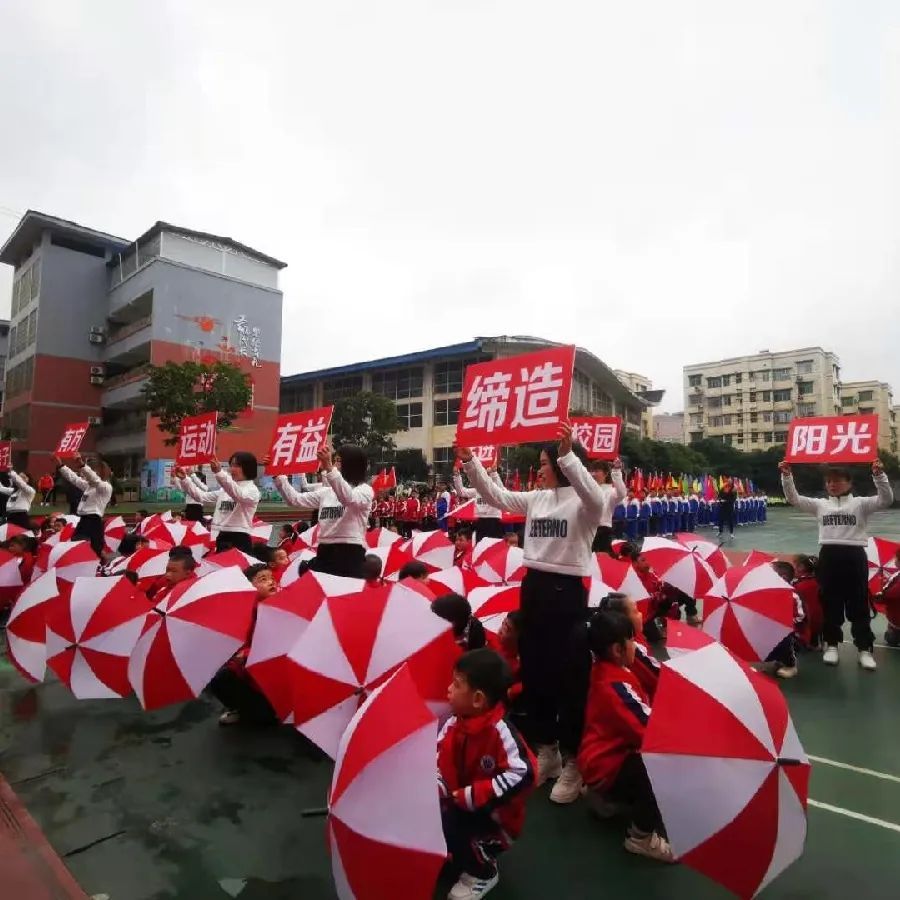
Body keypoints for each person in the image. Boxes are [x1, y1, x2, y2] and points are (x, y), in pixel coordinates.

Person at [456, 423, 605, 805]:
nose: (539, 469)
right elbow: (497, 495)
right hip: (534, 587)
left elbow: (593, 495)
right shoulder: (538, 498)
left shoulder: (587, 502)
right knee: (536, 671)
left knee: (568, 678)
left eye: (543, 463)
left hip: (567, 593)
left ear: (561, 464)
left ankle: (573, 762)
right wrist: (471, 463)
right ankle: (548, 751)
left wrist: (569, 453)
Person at [438, 648, 536, 900]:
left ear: (478, 699)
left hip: (497, 818)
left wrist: (473, 795)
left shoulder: (500, 732)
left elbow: (524, 774)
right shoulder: (453, 723)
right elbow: (438, 759)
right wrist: (437, 784)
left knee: (453, 827)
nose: (448, 689)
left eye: (456, 684)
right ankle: (460, 850)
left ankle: (483, 872)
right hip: (462, 803)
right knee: (433, 815)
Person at [578, 610, 674, 862]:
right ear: (618, 649)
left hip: (605, 756)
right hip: (605, 765)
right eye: (632, 640)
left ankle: (605, 799)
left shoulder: (610, 669)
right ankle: (640, 837)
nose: (637, 644)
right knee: (664, 761)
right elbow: (652, 731)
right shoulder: (614, 686)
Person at [780, 459, 893, 671]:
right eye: (829, 481)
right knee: (830, 603)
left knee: (858, 604)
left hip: (854, 556)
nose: (832, 484)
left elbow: (886, 499)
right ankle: (832, 645)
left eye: (838, 480)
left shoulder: (860, 503)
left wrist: (879, 475)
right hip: (829, 556)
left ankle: (864, 649)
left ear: (849, 483)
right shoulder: (820, 505)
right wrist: (787, 475)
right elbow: (793, 498)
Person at [270, 445, 373, 578]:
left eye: (338, 461)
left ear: (351, 464)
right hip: (324, 549)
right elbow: (295, 499)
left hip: (349, 552)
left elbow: (348, 498)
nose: (335, 464)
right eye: (334, 460)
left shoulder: (364, 490)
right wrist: (278, 476)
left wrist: (329, 468)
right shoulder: (327, 493)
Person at [208, 563, 279, 727]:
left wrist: (246, 654)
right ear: (249, 587)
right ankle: (248, 710)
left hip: (275, 668)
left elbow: (278, 643)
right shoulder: (244, 612)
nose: (271, 582)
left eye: (272, 578)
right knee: (221, 678)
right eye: (263, 579)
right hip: (252, 670)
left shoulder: (281, 608)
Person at [176, 452, 260, 553]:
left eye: (237, 465)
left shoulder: (252, 490)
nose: (232, 469)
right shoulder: (224, 490)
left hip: (240, 537)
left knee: (238, 568)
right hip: (222, 536)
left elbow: (239, 495)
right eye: (231, 465)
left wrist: (219, 473)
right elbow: (201, 497)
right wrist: (184, 479)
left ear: (248, 468)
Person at [597, 592, 660, 699]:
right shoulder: (629, 651)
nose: (640, 614)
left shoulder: (636, 638)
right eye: (635, 611)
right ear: (623, 620)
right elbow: (658, 678)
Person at [53, 453, 113, 555]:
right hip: (83, 520)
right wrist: (60, 465)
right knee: (77, 546)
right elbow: (74, 479)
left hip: (93, 521)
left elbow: (94, 479)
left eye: (91, 470)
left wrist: (81, 464)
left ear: (99, 472)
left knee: (92, 550)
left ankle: (99, 565)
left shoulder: (105, 487)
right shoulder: (89, 487)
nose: (83, 474)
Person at [766, 560, 804, 679]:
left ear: (783, 577)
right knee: (772, 645)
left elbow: (800, 616)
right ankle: (778, 660)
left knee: (786, 645)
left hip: (787, 631)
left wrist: (787, 623)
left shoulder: (792, 596)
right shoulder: (770, 592)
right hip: (772, 628)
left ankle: (791, 666)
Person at [454, 468, 506, 542]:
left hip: (494, 520)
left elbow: (502, 491)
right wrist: (457, 476)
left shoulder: (496, 489)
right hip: (480, 521)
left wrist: (493, 473)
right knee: (480, 548)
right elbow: (461, 492)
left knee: (494, 548)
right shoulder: (477, 490)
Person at [586, 460, 626, 553]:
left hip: (602, 530)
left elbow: (622, 493)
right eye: (591, 471)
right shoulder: (587, 490)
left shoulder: (610, 492)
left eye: (596, 471)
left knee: (601, 560)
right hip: (586, 530)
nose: (593, 474)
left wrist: (616, 471)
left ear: (606, 474)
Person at [793, 554, 823, 650]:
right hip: (822, 624)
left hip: (807, 625)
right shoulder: (820, 582)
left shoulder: (798, 586)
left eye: (795, 565)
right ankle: (815, 641)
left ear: (801, 567)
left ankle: (805, 641)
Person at [880, 550, 900, 647]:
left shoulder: (895, 578)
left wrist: (881, 593)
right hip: (895, 618)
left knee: (891, 638)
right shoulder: (895, 577)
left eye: (895, 558)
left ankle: (892, 631)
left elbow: (887, 596)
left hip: (896, 620)